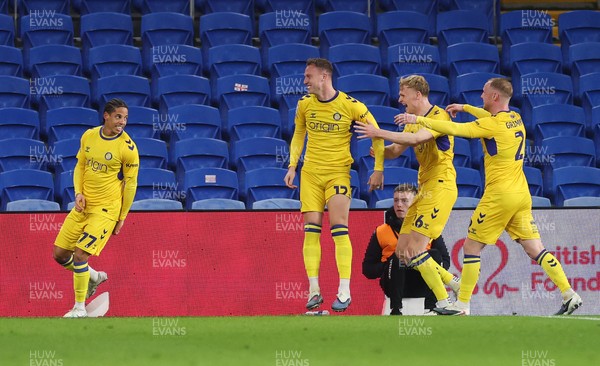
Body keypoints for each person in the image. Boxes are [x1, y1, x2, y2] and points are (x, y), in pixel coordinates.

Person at [398, 77, 583, 316]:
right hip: (521, 194)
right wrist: (464, 108)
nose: (481, 96)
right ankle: (569, 293)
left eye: (484, 93)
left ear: (495, 96)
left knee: (471, 246)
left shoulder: (491, 126)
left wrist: (418, 119)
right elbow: (484, 116)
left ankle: (461, 304)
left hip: (499, 196)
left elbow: (457, 129)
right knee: (534, 248)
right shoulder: (514, 118)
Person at [284, 58, 384, 312]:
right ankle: (314, 290)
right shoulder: (304, 104)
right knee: (311, 231)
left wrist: (378, 169)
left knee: (339, 229)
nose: (304, 81)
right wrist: (292, 166)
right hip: (310, 175)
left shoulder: (351, 106)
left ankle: (344, 290)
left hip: (338, 174)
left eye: (309, 76)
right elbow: (298, 134)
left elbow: (377, 134)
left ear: (324, 76)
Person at [354, 75, 460, 310]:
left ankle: (445, 300)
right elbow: (396, 149)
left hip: (440, 187)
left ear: (417, 95)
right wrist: (379, 153)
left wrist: (380, 132)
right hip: (424, 189)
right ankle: (453, 282)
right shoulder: (413, 121)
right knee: (402, 252)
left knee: (415, 249)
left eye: (403, 95)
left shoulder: (438, 117)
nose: (400, 99)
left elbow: (414, 139)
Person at [52, 98, 139, 318]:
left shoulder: (127, 148)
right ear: (106, 116)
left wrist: (122, 217)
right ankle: (93, 276)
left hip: (106, 209)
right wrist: (78, 193)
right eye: (119, 116)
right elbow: (80, 166)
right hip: (84, 206)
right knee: (60, 254)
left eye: (126, 118)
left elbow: (131, 184)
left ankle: (79, 307)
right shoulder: (89, 136)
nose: (123, 122)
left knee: (81, 254)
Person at [362, 183, 452, 315]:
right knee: (397, 257)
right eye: (396, 200)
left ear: (415, 203)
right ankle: (396, 309)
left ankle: (432, 306)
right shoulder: (381, 231)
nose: (399, 205)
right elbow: (368, 270)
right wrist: (389, 264)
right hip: (394, 283)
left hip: (424, 283)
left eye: (404, 201)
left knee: (433, 254)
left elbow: (444, 261)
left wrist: (422, 261)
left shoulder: (428, 227)